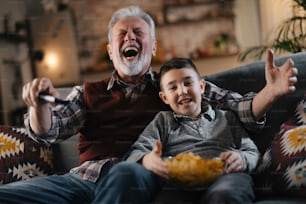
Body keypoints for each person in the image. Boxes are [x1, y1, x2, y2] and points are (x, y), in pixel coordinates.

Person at [0, 5, 297, 204]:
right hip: (84, 180)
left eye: (138, 33)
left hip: (137, 177)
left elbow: (239, 108)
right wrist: (38, 107)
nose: (130, 37)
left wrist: (271, 92)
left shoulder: (173, 86)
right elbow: (47, 132)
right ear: (111, 51)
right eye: (122, 34)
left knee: (125, 174)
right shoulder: (87, 92)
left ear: (152, 46)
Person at [125, 57, 261, 203]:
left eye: (188, 83)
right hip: (181, 184)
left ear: (201, 86)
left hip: (226, 176)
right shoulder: (163, 121)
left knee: (225, 195)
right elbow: (135, 152)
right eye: (173, 87)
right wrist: (147, 159)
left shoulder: (227, 117)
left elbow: (252, 152)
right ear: (164, 97)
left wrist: (242, 158)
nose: (182, 91)